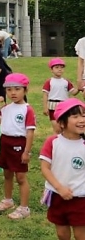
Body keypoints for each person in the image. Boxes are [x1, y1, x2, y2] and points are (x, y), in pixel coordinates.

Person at [0, 73, 36, 220]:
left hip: (19, 144)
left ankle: (24, 207)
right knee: (7, 174)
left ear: (25, 90)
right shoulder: (6, 108)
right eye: (9, 90)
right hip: (5, 142)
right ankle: (8, 200)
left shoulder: (27, 109)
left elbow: (30, 132)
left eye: (17, 89)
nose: (13, 93)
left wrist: (26, 152)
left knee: (21, 177)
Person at [39, 99, 85, 240]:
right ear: (62, 122)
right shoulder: (53, 142)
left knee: (80, 235)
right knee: (61, 233)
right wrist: (60, 188)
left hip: (81, 197)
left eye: (83, 115)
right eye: (75, 116)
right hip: (57, 195)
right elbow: (45, 168)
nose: (82, 120)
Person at [43, 58, 79, 134]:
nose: (59, 69)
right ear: (51, 70)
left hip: (64, 106)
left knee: (64, 125)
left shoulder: (66, 82)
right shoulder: (49, 82)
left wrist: (79, 88)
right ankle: (55, 141)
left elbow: (73, 92)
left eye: (61, 67)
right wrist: (45, 107)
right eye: (57, 67)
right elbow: (45, 94)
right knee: (56, 127)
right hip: (52, 106)